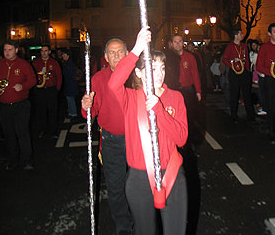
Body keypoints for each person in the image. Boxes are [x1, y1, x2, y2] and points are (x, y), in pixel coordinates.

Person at [108, 27, 188, 235]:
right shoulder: (130, 99)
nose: (159, 74)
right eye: (152, 69)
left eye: (161, 68)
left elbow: (181, 138)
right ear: (139, 73)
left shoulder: (175, 98)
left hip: (171, 174)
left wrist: (158, 110)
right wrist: (136, 49)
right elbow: (113, 83)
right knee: (145, 231)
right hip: (139, 178)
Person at [81, 37, 134, 235]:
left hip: (136, 138)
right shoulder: (97, 79)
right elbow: (90, 113)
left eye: (120, 51)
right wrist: (86, 105)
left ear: (127, 54)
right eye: (112, 52)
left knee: (138, 183)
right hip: (111, 141)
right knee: (116, 186)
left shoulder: (136, 75)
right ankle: (124, 226)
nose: (117, 55)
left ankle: (142, 219)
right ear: (105, 57)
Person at [0, 41, 37, 170]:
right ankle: (12, 159)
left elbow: (33, 80)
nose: (7, 52)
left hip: (21, 105)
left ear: (16, 50)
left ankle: (27, 160)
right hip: (3, 106)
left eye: (10, 49)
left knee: (22, 132)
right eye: (5, 50)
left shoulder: (23, 64)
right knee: (9, 133)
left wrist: (23, 86)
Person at [222, 29, 255, 123]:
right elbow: (225, 59)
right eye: (241, 34)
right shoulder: (230, 46)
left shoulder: (244, 46)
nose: (243, 35)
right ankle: (234, 116)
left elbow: (247, 59)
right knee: (234, 94)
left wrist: (248, 71)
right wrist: (232, 66)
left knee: (247, 94)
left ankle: (251, 116)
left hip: (244, 72)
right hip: (234, 73)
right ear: (236, 36)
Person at [32, 43, 63, 138]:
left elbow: (59, 77)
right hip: (40, 90)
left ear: (49, 52)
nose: (44, 53)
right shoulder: (36, 63)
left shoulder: (54, 63)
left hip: (51, 89)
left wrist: (57, 89)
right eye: (42, 51)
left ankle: (53, 131)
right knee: (41, 111)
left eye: (46, 51)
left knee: (52, 111)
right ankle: (43, 129)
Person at [59, 48, 79, 120]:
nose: (63, 56)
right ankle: (71, 111)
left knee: (70, 99)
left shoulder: (68, 64)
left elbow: (70, 74)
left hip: (70, 84)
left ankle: (73, 113)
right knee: (69, 98)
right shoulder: (67, 63)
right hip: (69, 84)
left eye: (64, 55)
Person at [249, 39, 267, 115]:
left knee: (261, 91)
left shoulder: (260, 53)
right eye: (252, 45)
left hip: (261, 74)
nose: (254, 47)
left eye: (255, 45)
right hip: (257, 74)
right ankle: (263, 106)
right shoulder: (252, 53)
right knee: (259, 91)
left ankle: (265, 107)